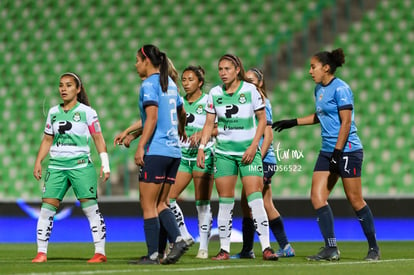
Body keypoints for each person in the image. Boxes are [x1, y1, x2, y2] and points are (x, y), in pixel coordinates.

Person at [272, 48, 380, 261]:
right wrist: (293, 122)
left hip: (348, 150)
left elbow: (346, 122)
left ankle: (374, 248)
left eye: (313, 67)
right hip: (327, 150)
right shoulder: (318, 89)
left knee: (355, 200)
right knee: (317, 197)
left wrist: (338, 153)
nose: (310, 71)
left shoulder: (341, 89)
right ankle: (331, 248)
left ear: (326, 68)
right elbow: (320, 115)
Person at [197, 54, 278, 261]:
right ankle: (224, 249)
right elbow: (208, 124)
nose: (223, 73)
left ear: (237, 70)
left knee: (255, 200)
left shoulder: (251, 91)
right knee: (225, 202)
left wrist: (253, 147)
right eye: (220, 69)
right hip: (223, 154)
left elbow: (262, 121)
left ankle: (267, 248)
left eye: (227, 69)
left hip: (248, 153)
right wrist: (201, 147)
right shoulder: (214, 93)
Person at [32, 72, 110, 263]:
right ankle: (41, 252)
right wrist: (38, 161)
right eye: (61, 86)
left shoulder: (87, 112)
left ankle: (100, 252)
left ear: (78, 89)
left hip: (81, 166)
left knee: (90, 209)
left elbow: (98, 138)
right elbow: (48, 139)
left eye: (68, 85)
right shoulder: (53, 112)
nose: (63, 89)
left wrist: (105, 164)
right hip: (56, 167)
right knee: (46, 209)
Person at [126, 44, 188, 265]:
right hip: (174, 152)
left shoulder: (149, 85)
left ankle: (154, 254)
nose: (135, 65)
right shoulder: (170, 84)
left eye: (137, 60)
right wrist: (181, 129)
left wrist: (141, 146)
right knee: (162, 203)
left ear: (146, 61)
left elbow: (151, 119)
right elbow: (183, 112)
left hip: (157, 150)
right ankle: (178, 240)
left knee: (148, 204)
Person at [230, 68, 295, 259]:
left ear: (259, 82)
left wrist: (258, 157)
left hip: (263, 160)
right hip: (261, 160)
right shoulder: (247, 102)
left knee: (251, 202)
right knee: (264, 203)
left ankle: (249, 249)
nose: (248, 83)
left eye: (251, 80)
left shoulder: (262, 102)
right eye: (245, 80)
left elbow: (268, 135)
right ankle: (284, 247)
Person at [168, 65, 216, 259]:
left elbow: (219, 127)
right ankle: (185, 235)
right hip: (183, 157)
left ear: (200, 82)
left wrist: (202, 134)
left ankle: (203, 247)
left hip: (203, 155)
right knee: (167, 199)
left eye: (191, 80)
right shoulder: (179, 102)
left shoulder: (208, 102)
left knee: (201, 203)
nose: (186, 83)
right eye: (184, 80)